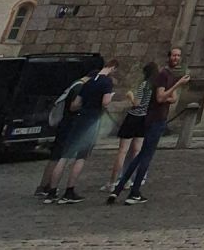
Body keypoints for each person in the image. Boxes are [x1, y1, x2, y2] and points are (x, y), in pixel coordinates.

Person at [109, 46, 190, 205]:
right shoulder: (163, 76)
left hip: (154, 119)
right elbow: (161, 98)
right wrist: (179, 84)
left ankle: (117, 190)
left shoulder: (166, 76)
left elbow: (172, 99)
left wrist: (170, 92)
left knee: (140, 155)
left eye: (178, 55)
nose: (176, 58)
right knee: (146, 156)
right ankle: (134, 192)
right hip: (155, 120)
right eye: (174, 55)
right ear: (168, 57)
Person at [43, 60, 121, 204]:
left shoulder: (88, 83)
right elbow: (105, 102)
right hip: (90, 122)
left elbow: (74, 106)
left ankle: (51, 192)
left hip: (78, 120)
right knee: (80, 157)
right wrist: (108, 98)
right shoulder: (106, 83)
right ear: (113, 68)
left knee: (64, 157)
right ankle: (69, 191)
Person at [35, 68, 96, 197]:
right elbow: (73, 107)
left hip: (64, 124)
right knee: (59, 157)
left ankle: (44, 186)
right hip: (68, 125)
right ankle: (48, 187)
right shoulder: (80, 87)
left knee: (55, 156)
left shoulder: (75, 84)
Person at [103, 62, 158, 190]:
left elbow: (136, 103)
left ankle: (113, 182)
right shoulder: (155, 87)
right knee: (136, 151)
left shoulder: (144, 85)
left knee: (122, 151)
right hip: (144, 119)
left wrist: (130, 96)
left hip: (134, 118)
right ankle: (130, 180)